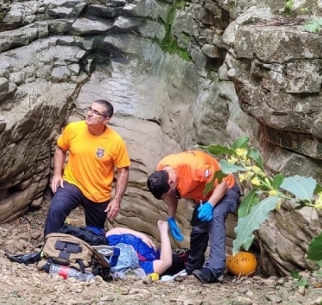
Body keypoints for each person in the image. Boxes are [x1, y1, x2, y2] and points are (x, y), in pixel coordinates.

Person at [146, 149, 241, 284]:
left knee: (215, 217)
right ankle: (193, 268)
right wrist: (171, 217)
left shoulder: (196, 169)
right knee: (198, 229)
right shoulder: (163, 169)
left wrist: (210, 205)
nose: (169, 195)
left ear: (171, 181)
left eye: (168, 192)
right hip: (205, 197)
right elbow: (172, 194)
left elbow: (223, 183)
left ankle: (214, 269)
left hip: (226, 190)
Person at [44, 100, 130, 236]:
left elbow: (123, 171)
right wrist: (57, 174)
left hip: (98, 193)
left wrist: (117, 200)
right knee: (56, 209)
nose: (89, 114)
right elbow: (60, 148)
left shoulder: (116, 142)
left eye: (96, 112)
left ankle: (88, 252)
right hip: (73, 183)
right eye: (90, 109)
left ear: (106, 119)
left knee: (95, 233)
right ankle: (48, 248)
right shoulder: (73, 128)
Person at [105, 221, 174, 277]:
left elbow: (117, 230)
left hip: (146, 243)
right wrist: (163, 230)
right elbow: (166, 262)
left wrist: (142, 236)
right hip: (164, 254)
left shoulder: (112, 241)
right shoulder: (142, 267)